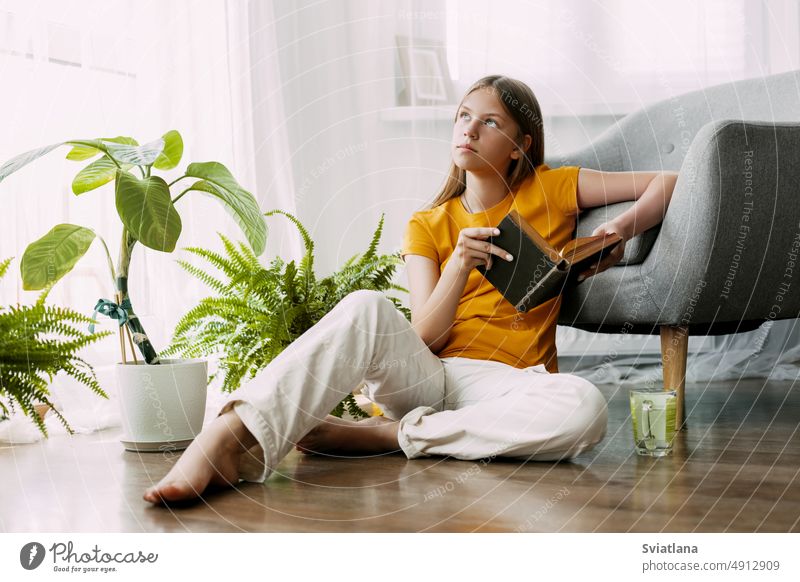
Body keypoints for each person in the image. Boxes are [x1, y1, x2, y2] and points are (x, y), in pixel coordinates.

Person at [143, 74, 678, 505]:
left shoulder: (553, 187)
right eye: (463, 117)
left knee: (585, 406)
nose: (469, 129)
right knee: (368, 307)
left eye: (489, 122)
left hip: (511, 385)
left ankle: (388, 437)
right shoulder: (429, 223)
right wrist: (459, 268)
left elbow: (669, 183)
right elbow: (422, 335)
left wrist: (616, 230)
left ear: (520, 146)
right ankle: (229, 436)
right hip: (432, 375)